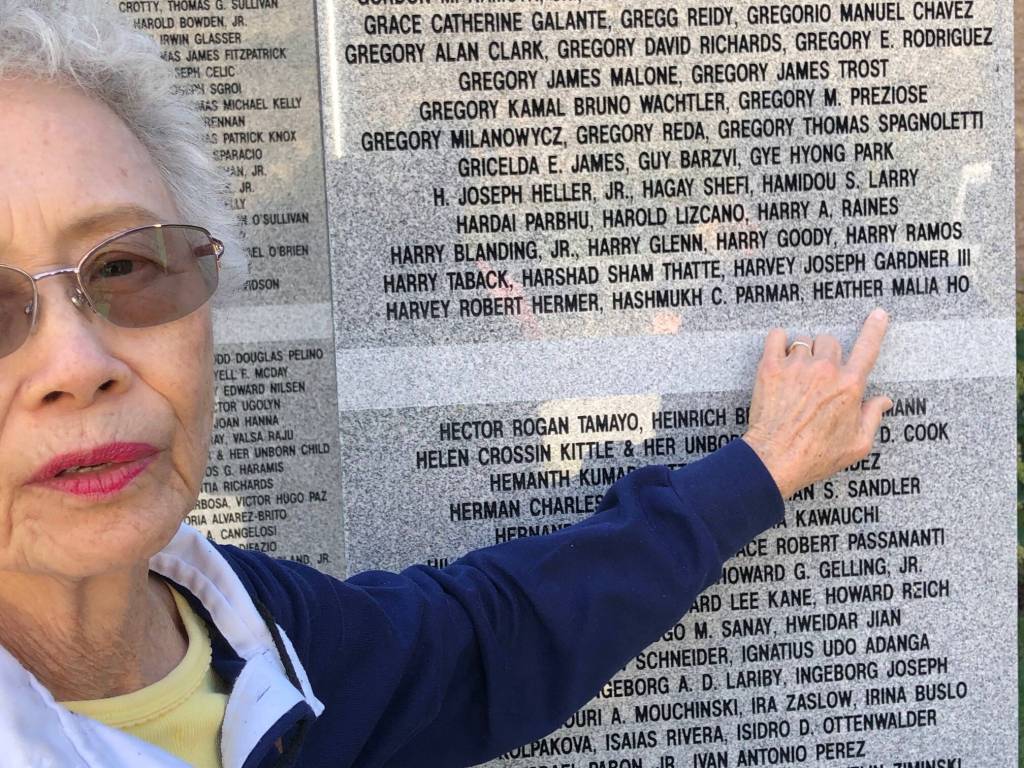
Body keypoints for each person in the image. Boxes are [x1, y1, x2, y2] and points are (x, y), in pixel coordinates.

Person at [0, 2, 893, 767]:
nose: (80, 365)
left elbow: (488, 639)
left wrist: (758, 470)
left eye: (122, 266)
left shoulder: (254, 627)